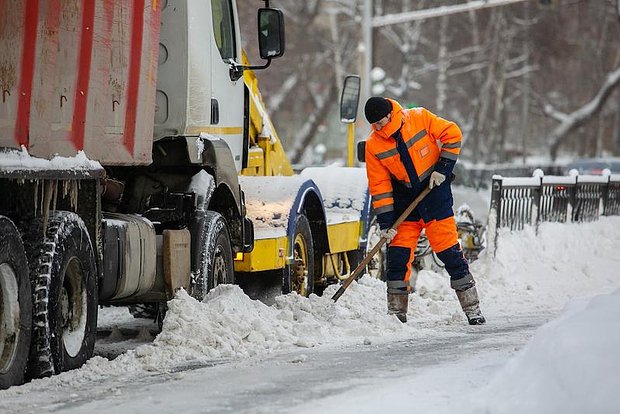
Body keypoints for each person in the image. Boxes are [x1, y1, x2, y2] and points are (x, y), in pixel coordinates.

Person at [363, 96, 485, 325]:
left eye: (381, 122)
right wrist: (386, 223)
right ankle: (396, 315)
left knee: (449, 253)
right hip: (404, 205)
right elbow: (379, 186)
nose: (379, 128)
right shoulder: (373, 145)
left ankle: (473, 308)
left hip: (434, 194)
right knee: (397, 258)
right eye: (375, 125)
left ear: (390, 113)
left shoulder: (419, 117)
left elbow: (453, 133)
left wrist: (443, 168)